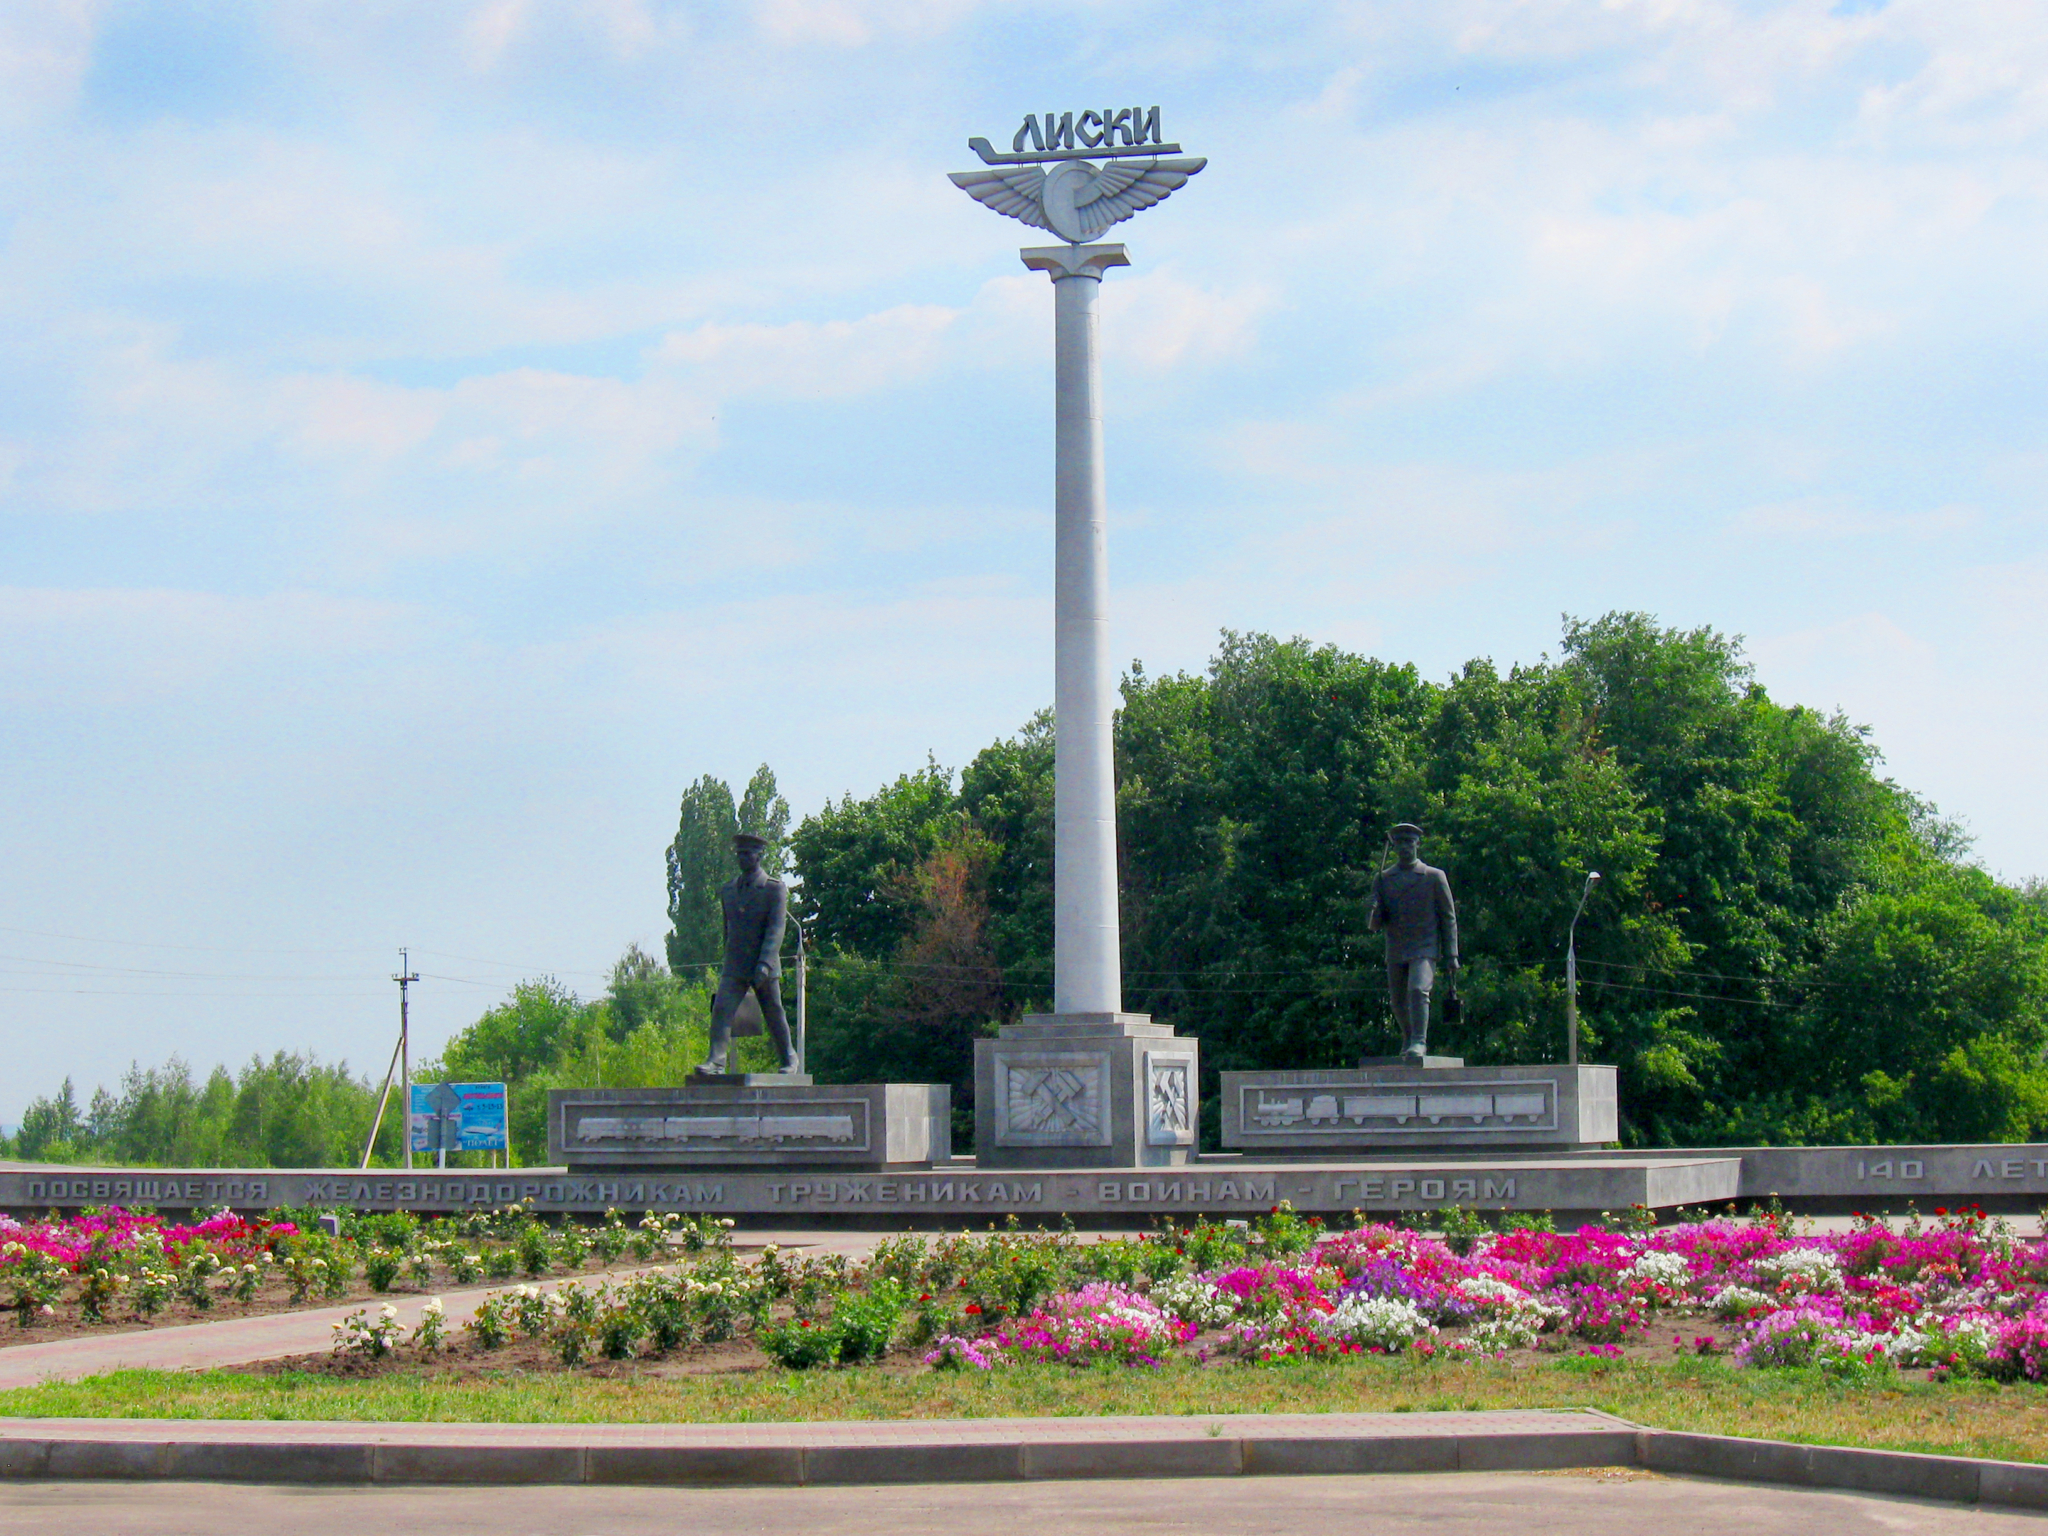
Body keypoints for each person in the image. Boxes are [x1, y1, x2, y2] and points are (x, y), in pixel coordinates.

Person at [695, 832, 799, 1075]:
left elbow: (776, 928)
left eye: (747, 853)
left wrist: (765, 962)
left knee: (773, 1012)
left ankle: (789, 1059)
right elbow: (727, 929)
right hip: (735, 965)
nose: (742, 858)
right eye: (739, 853)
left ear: (758, 856)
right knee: (721, 1010)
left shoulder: (774, 889)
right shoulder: (729, 890)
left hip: (763, 964)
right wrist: (727, 959)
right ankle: (716, 1061)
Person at [1366, 822, 1459, 1067]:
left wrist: (1452, 954)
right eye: (1400, 842)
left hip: (1425, 946)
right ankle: (1408, 1036)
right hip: (1396, 946)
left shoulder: (1433, 876)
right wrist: (1372, 908)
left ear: (1418, 843)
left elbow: (1448, 917)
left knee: (1418, 990)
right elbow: (1375, 925)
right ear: (1394, 846)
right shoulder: (1384, 879)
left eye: (1410, 841)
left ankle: (1419, 1040)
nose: (1405, 846)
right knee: (1397, 1001)